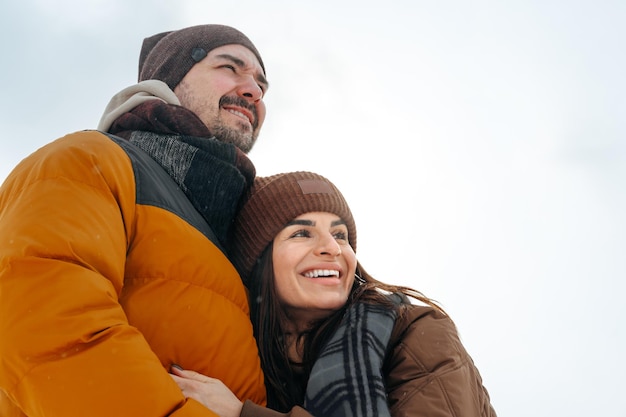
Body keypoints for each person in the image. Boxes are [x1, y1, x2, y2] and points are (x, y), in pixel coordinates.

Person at [0, 24, 269, 416]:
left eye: (262, 84)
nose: (254, 91)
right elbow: (51, 336)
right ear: (170, 78)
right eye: (230, 67)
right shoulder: (90, 161)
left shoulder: (243, 231)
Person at [170, 171, 497, 417]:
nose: (331, 248)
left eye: (340, 235)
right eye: (302, 232)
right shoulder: (249, 359)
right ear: (259, 263)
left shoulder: (415, 331)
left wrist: (242, 414)